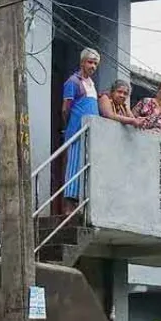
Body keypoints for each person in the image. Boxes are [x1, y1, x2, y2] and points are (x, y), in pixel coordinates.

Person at [61, 48, 101, 206]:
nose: (93, 66)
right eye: (90, 62)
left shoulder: (92, 83)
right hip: (77, 130)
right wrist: (69, 127)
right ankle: (68, 206)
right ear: (82, 62)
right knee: (74, 166)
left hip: (91, 132)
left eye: (95, 64)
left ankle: (81, 203)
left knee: (86, 165)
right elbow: (65, 109)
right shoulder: (73, 82)